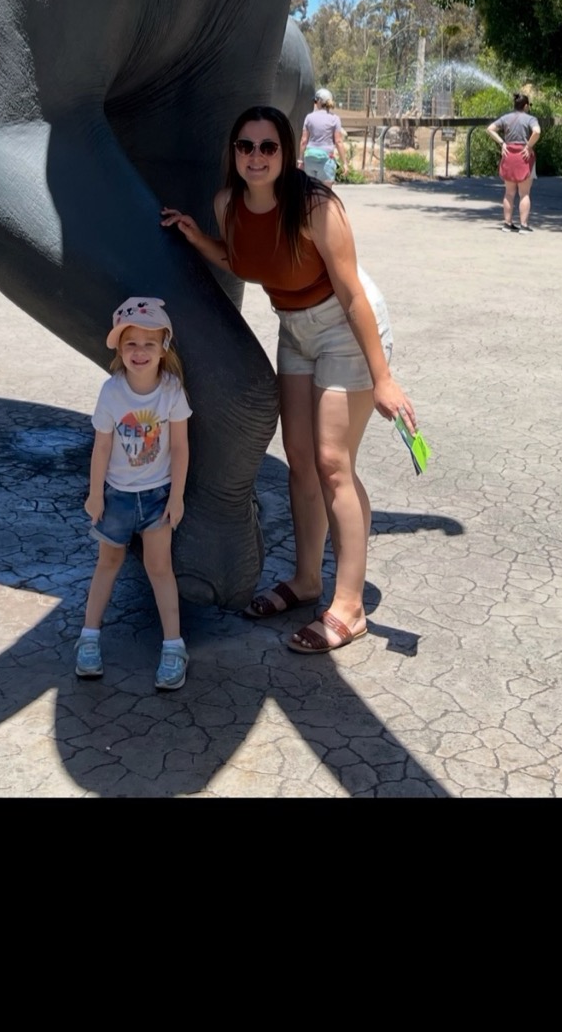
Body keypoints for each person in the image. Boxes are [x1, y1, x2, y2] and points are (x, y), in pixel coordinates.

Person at [161, 105, 417, 655]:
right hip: (294, 329)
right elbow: (243, 258)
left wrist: (384, 378)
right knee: (298, 456)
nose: (256, 157)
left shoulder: (316, 206)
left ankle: (349, 605)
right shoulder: (226, 204)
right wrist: (196, 239)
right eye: (246, 147)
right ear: (234, 155)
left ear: (287, 153)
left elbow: (350, 291)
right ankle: (306, 580)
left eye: (268, 147)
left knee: (331, 463)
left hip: (344, 327)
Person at [75, 297, 191, 691]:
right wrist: (95, 495)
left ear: (164, 348)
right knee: (108, 563)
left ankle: (173, 646)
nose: (139, 352)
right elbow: (102, 447)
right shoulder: (112, 392)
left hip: (157, 496)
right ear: (118, 349)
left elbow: (180, 447)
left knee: (160, 568)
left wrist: (177, 496)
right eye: (131, 344)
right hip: (118, 496)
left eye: (149, 344)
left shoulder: (172, 391)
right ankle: (89, 638)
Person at [487, 92, 541, 231]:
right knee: (524, 193)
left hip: (509, 155)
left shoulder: (506, 118)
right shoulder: (530, 119)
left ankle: (507, 224)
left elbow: (490, 129)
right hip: (524, 156)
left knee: (509, 193)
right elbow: (537, 132)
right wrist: (529, 146)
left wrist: (502, 143)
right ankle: (524, 225)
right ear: (526, 106)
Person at [299, 86, 347, 184]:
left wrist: (300, 160)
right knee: (326, 193)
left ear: (319, 102)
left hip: (310, 157)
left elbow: (304, 141)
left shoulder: (309, 117)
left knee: (310, 191)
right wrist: (344, 163)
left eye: (315, 101)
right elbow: (338, 142)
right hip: (326, 159)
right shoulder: (334, 119)